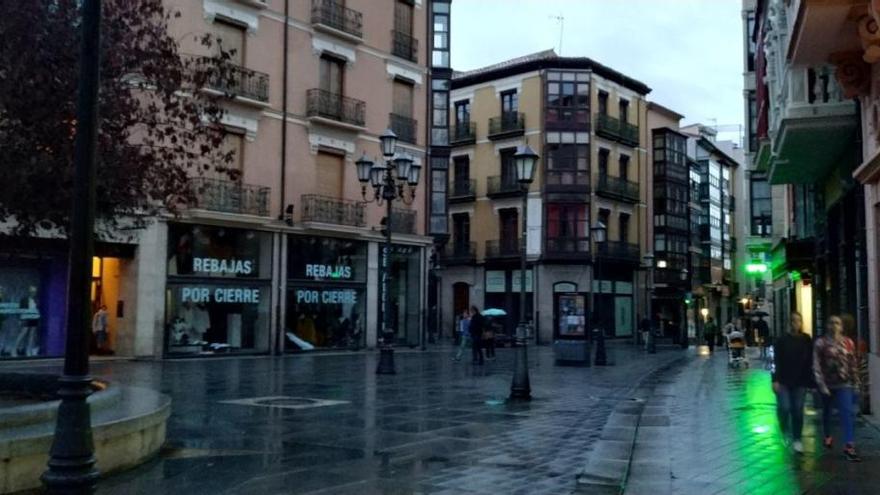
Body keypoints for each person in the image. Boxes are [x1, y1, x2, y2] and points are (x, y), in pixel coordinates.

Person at [814, 315, 861, 461]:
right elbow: (816, 365)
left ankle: (849, 446)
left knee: (847, 413)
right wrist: (821, 384)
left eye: (837, 323)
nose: (834, 325)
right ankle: (827, 435)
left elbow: (852, 363)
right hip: (827, 384)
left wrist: (856, 382)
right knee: (827, 412)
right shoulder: (820, 343)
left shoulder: (848, 343)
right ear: (827, 325)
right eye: (831, 323)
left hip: (844, 383)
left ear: (841, 326)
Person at [772, 311, 813, 454]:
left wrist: (811, 381)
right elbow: (775, 360)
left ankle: (797, 439)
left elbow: (810, 361)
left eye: (798, 320)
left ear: (801, 323)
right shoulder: (782, 340)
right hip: (783, 380)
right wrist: (775, 380)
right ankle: (784, 429)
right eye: (793, 320)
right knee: (785, 407)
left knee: (797, 410)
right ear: (789, 323)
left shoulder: (806, 339)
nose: (795, 323)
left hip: (800, 380)